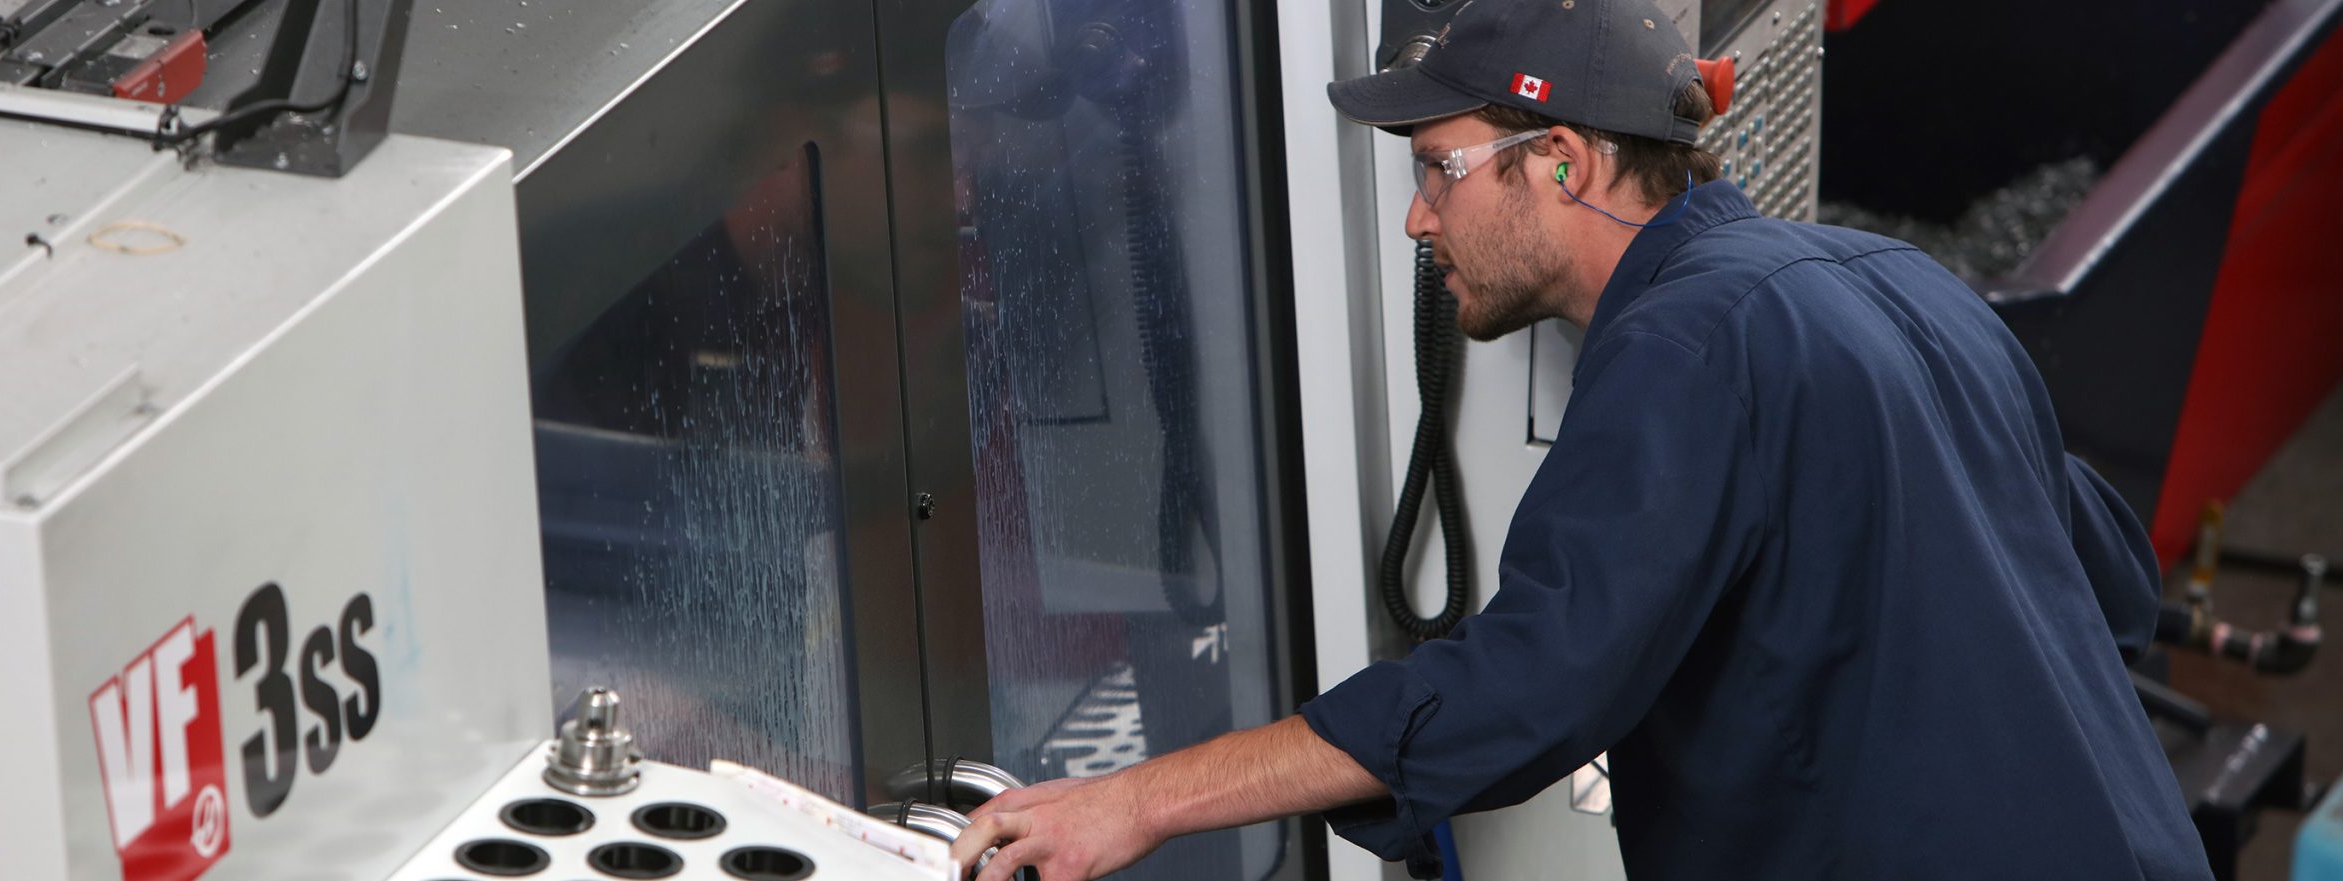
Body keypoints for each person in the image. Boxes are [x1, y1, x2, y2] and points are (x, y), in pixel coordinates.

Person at [949, 0, 2215, 878]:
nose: (1414, 221)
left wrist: (1132, 800)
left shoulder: (1685, 348)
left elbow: (1522, 688)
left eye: (1439, 168)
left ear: (1558, 161)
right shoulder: (1895, 280)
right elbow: (2109, 585)